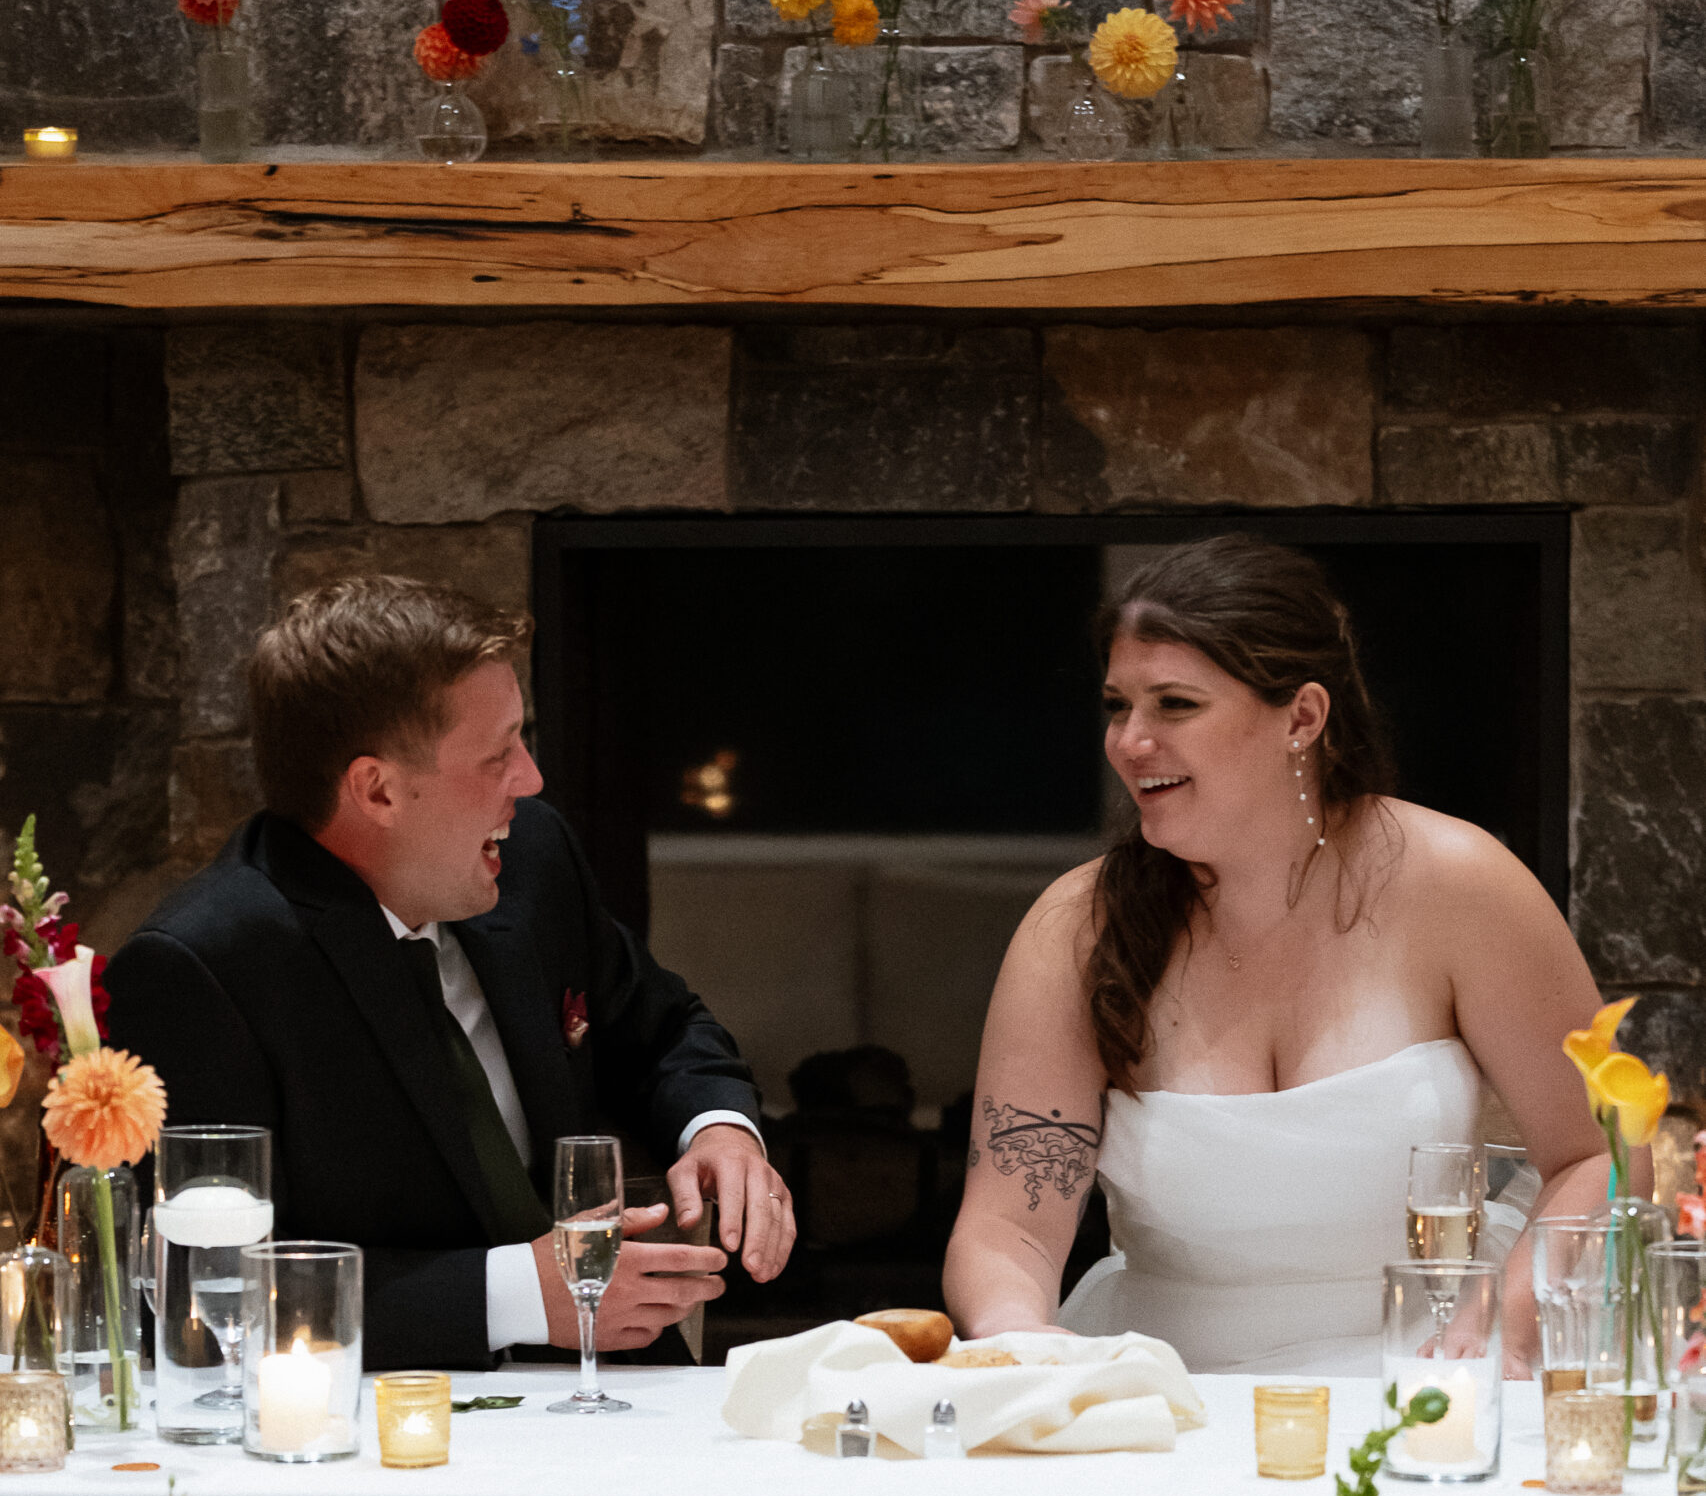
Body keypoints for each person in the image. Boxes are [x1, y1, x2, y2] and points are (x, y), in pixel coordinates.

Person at [943, 534, 1619, 1377]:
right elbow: (1008, 1225)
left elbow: (1600, 1153)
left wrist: (1510, 1320)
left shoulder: (1459, 883)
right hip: (1168, 1390)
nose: (1129, 740)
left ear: (1301, 717)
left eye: (1175, 705)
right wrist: (1021, 1335)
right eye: (1119, 705)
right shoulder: (1078, 926)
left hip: (1441, 1377)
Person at [105, 575, 794, 1370]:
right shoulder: (200, 968)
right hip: (375, 1424)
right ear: (379, 790)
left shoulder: (532, 859)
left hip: (614, 1385)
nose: (530, 780)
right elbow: (207, 1295)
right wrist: (518, 1294)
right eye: (497, 755)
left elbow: (665, 1024)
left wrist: (720, 1129)